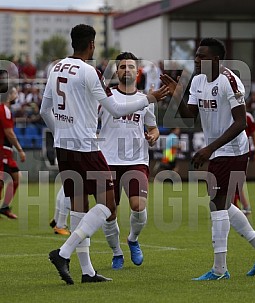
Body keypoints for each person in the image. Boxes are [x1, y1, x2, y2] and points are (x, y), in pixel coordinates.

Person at [40, 24, 168, 285]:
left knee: (79, 209)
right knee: (108, 206)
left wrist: (62, 133)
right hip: (87, 147)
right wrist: (149, 98)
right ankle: (63, 253)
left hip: (63, 148)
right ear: (91, 45)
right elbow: (115, 109)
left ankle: (86, 272)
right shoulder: (89, 72)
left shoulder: (56, 68)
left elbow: (44, 111)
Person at [160, 38, 255, 280]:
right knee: (221, 203)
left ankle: (220, 270)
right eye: (196, 55)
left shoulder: (229, 81)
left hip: (233, 150)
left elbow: (240, 123)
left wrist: (208, 148)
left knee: (217, 205)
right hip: (217, 151)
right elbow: (189, 116)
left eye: (201, 56)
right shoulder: (198, 80)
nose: (195, 59)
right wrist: (177, 96)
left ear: (214, 60)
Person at [99, 52, 159, 270]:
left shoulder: (145, 100)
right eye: (122, 66)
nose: (126, 70)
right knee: (109, 212)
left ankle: (132, 239)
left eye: (130, 66)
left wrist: (153, 136)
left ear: (138, 71)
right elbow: (89, 122)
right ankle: (116, 253)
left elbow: (153, 128)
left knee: (138, 205)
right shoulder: (106, 97)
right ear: (117, 71)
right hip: (107, 160)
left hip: (136, 160)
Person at [0, 86, 26, 219]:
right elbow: (9, 132)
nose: (17, 96)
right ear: (9, 95)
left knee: (11, 178)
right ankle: (4, 207)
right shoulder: (4, 110)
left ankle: (4, 207)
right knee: (13, 178)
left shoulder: (5, 110)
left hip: (6, 151)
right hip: (3, 151)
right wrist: (20, 150)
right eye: (15, 93)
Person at [233, 112, 255, 215]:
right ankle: (243, 207)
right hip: (228, 152)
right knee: (234, 181)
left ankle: (235, 208)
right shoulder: (227, 113)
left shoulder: (247, 116)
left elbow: (254, 134)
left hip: (242, 153)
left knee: (236, 181)